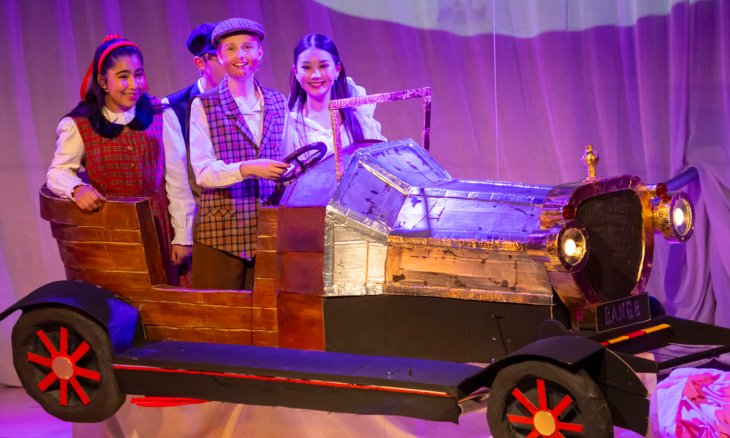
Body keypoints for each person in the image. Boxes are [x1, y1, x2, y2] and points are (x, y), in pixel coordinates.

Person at [46, 35, 195, 273]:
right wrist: (76, 188)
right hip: (108, 231)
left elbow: (177, 182)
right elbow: (58, 171)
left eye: (138, 74)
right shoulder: (79, 124)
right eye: (123, 77)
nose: (134, 84)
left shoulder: (161, 115)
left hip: (158, 229)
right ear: (103, 82)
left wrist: (183, 236)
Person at [188, 18, 288, 290]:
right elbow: (203, 172)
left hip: (269, 232)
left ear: (260, 53)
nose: (240, 55)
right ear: (219, 56)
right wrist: (248, 168)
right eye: (230, 49)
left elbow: (287, 158)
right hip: (221, 234)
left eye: (247, 47)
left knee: (268, 318)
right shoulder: (204, 105)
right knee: (220, 321)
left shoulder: (279, 102)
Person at [284, 33, 385, 158]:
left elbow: (378, 157)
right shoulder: (292, 125)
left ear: (337, 69)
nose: (315, 75)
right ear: (296, 72)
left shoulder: (357, 111)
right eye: (306, 67)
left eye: (323, 66)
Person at [164, 22, 227, 202]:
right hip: (200, 210)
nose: (231, 62)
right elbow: (176, 177)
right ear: (200, 63)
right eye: (220, 57)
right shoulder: (174, 107)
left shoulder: (248, 99)